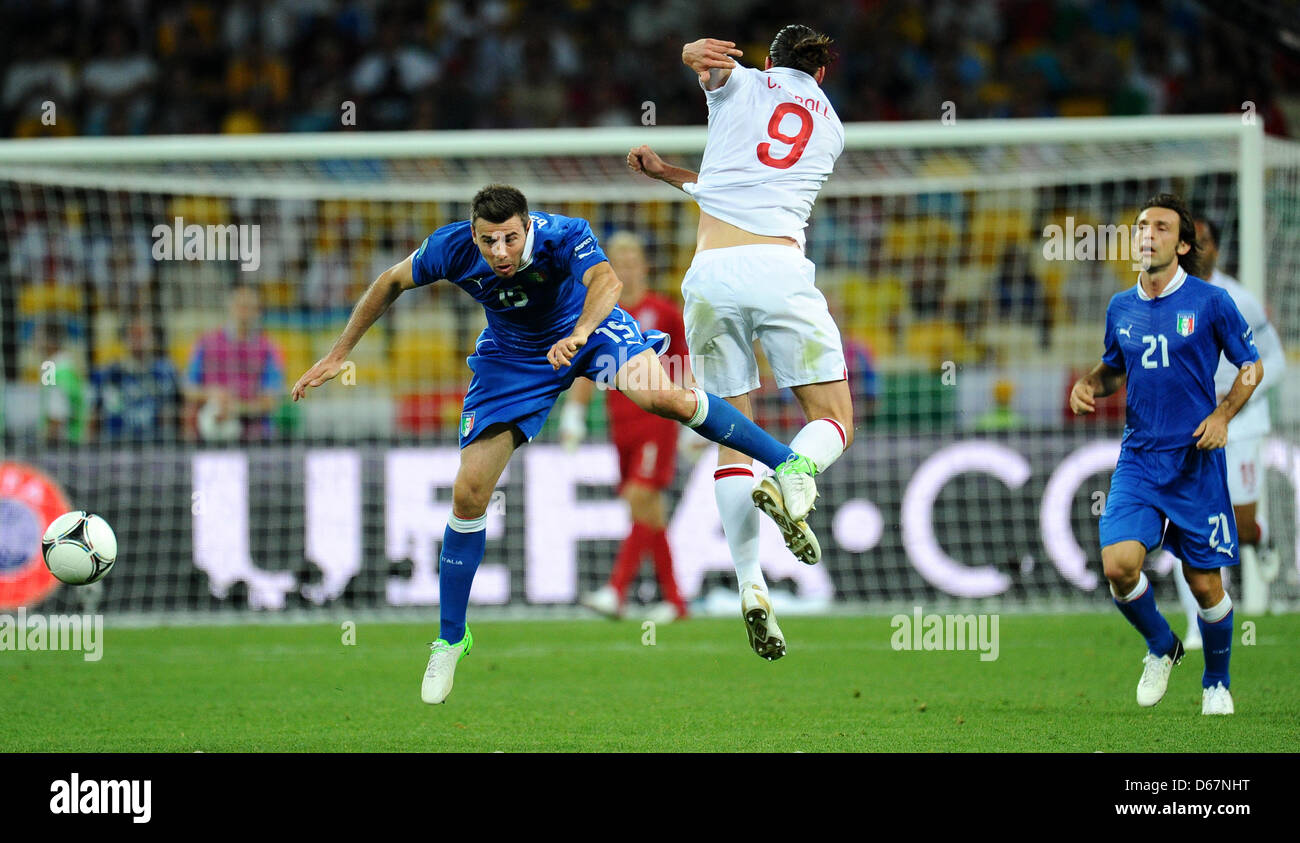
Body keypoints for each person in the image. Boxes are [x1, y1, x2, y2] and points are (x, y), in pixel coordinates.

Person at [291, 184, 818, 704]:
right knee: (469, 493)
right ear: (473, 235)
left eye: (510, 239)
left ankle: (789, 462)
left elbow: (607, 283)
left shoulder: (565, 234)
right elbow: (389, 281)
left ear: (527, 226)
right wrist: (340, 353)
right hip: (513, 358)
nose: (499, 252)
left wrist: (581, 333)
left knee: (667, 399)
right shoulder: (450, 247)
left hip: (591, 331)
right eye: (488, 241)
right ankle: (451, 638)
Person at [627, 25, 852, 660]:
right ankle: (796, 472)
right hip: (779, 268)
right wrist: (672, 172)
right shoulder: (832, 129)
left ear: (768, 61)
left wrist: (693, 60)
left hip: (709, 276)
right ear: (822, 76)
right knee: (833, 418)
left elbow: (714, 85)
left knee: (732, 431)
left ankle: (751, 584)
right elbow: (751, 185)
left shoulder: (740, 82)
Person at [1069, 194, 1261, 716]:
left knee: (1205, 586)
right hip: (1139, 461)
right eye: (1141, 226)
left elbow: (1252, 367)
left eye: (1160, 227)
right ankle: (1161, 646)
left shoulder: (1211, 301)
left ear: (1181, 244)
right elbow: (1114, 368)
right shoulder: (1120, 307)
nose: (1147, 233)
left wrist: (1222, 416)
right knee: (1119, 565)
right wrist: (1091, 384)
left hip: (1195, 462)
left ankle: (1216, 683)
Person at [563, 232, 693, 623]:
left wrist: (690, 421)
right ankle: (675, 601)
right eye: (617, 261)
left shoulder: (664, 312)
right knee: (648, 510)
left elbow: (683, 366)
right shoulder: (602, 314)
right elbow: (586, 367)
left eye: (632, 259)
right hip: (621, 425)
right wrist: (574, 416)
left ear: (644, 266)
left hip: (658, 422)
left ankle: (615, 590)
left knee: (640, 497)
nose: (627, 267)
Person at [184, 283, 285, 442]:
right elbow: (188, 389)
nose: (243, 311)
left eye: (249, 306)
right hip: (211, 433)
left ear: (258, 311)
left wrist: (236, 408)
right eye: (240, 305)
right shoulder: (206, 343)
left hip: (256, 436)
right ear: (229, 307)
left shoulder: (268, 348)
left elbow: (271, 400)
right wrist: (210, 393)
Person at [91, 315, 182, 442]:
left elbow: (177, 411)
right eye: (134, 334)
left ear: (153, 338)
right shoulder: (109, 373)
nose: (138, 340)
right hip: (116, 445)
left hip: (156, 445)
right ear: (125, 338)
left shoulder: (167, 372)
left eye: (143, 334)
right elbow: (94, 415)